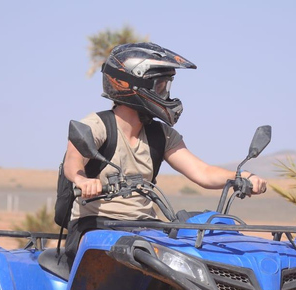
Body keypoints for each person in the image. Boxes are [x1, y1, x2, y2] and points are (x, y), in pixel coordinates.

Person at [63, 42, 267, 264]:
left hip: (143, 229)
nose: (166, 94)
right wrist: (82, 180)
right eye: (160, 86)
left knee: (195, 254)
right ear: (133, 84)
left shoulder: (161, 135)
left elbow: (202, 172)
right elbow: (73, 162)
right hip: (95, 229)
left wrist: (241, 177)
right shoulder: (97, 126)